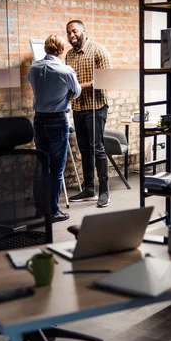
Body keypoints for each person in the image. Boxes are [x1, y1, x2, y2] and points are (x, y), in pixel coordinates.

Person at [28, 34, 90, 222]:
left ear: (46, 49)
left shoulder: (34, 68)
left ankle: (40, 208)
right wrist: (68, 93)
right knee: (56, 169)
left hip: (38, 120)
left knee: (41, 166)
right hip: (57, 121)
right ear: (62, 50)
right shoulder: (65, 71)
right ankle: (53, 211)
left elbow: (37, 88)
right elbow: (77, 91)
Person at [65, 19, 112, 208]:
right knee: (84, 149)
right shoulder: (69, 55)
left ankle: (105, 192)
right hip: (78, 108)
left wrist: (77, 88)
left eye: (74, 31)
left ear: (84, 30)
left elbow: (105, 80)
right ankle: (89, 189)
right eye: (68, 33)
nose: (71, 36)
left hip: (96, 107)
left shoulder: (98, 50)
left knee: (98, 148)